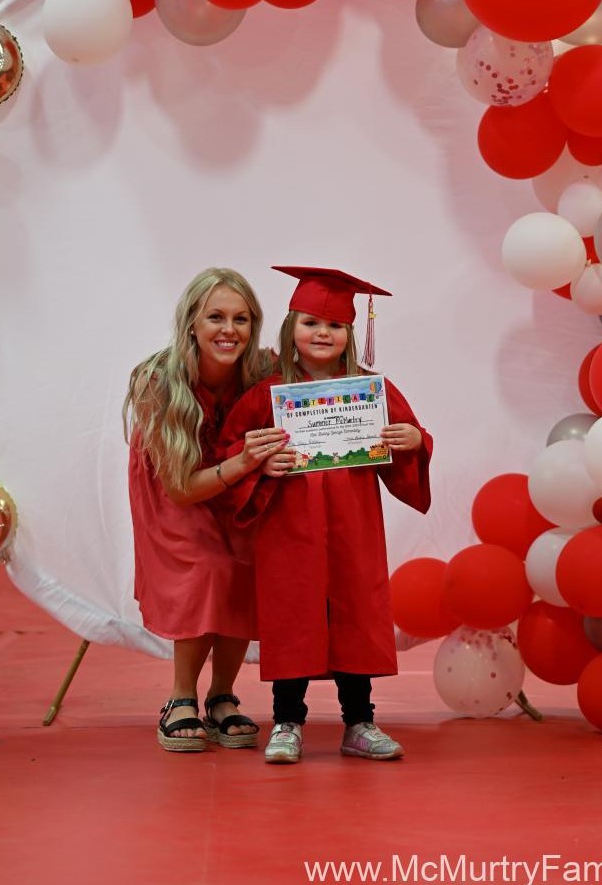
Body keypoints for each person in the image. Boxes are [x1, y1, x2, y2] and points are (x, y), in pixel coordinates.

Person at [218, 266, 433, 764]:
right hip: (288, 530)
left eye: (334, 326)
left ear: (350, 334)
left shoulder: (370, 390)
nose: (322, 333)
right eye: (312, 322)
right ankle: (287, 721)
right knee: (293, 615)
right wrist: (258, 459)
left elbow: (406, 440)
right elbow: (233, 449)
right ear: (291, 327)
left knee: (354, 613)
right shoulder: (266, 394)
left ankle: (360, 723)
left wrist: (415, 441)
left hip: (353, 526)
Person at [123, 268, 287, 753]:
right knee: (208, 567)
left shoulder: (261, 371)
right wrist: (243, 461)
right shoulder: (159, 382)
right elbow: (179, 489)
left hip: (234, 486)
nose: (228, 330)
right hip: (179, 493)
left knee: (246, 562)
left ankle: (221, 696)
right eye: (215, 316)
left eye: (240, 318)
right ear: (191, 322)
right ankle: (179, 698)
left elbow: (320, 383)